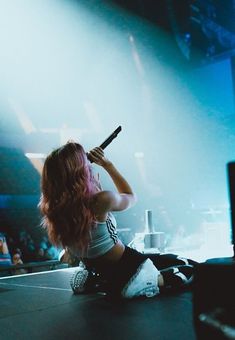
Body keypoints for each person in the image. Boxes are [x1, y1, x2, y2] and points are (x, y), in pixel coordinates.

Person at [39, 142, 197, 299]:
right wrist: (108, 165)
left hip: (97, 266)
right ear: (81, 172)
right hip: (129, 268)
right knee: (189, 267)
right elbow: (131, 196)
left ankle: (95, 278)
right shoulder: (102, 199)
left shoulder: (54, 209)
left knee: (166, 259)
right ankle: (148, 281)